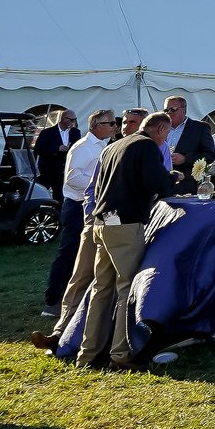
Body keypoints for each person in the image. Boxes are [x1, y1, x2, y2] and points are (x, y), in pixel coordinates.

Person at [77, 111, 176, 371]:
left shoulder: (115, 145)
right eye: (166, 135)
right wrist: (173, 178)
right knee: (126, 290)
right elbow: (157, 183)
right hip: (125, 224)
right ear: (161, 131)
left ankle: (87, 354)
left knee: (101, 289)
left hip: (102, 221)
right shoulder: (146, 146)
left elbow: (97, 188)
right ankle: (120, 355)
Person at [44, 108, 117, 316]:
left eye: (114, 123)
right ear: (97, 126)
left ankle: (77, 300)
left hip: (93, 205)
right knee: (69, 253)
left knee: (87, 255)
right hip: (76, 206)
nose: (115, 126)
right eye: (110, 123)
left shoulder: (104, 146)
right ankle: (53, 302)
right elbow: (72, 179)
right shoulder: (83, 147)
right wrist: (101, 185)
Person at [156, 95, 215, 192]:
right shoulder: (160, 128)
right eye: (166, 110)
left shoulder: (200, 128)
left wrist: (186, 158)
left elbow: (210, 155)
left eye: (173, 109)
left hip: (186, 184)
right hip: (162, 182)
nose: (169, 113)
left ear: (184, 110)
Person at [31, 108, 80, 197]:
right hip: (49, 169)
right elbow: (39, 149)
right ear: (64, 118)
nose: (73, 122)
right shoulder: (47, 132)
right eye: (72, 120)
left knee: (60, 196)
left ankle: (57, 210)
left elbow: (78, 148)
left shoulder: (75, 132)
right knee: (40, 192)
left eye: (75, 120)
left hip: (65, 170)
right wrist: (57, 148)